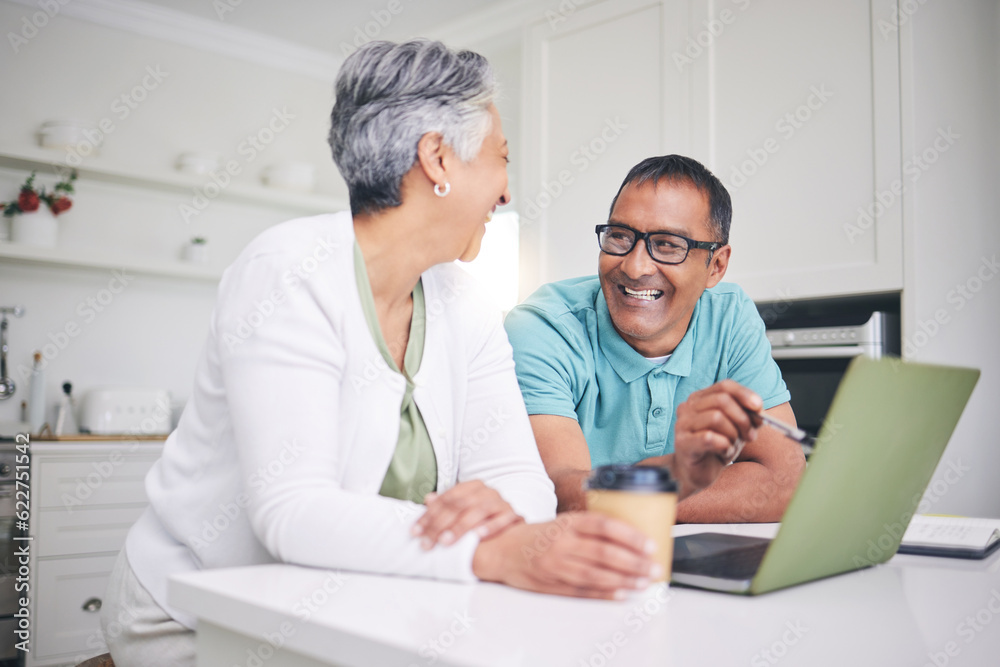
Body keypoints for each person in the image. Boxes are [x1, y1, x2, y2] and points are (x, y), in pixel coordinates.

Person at [102, 43, 729, 667]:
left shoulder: (463, 299)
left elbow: (525, 483)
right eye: (501, 159)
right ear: (437, 159)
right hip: (201, 615)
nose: (505, 191)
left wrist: (498, 508)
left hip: (351, 604)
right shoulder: (290, 271)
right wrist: (491, 549)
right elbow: (291, 512)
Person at [504, 155, 806, 522]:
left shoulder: (729, 317)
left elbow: (785, 482)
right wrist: (682, 476)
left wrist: (625, 496)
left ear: (716, 266)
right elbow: (565, 493)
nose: (634, 267)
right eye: (619, 236)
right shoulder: (542, 328)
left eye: (667, 245)